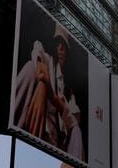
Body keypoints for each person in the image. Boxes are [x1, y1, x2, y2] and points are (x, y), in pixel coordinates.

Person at [12, 22, 85, 162]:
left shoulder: (69, 89)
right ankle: (12, 131)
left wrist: (51, 95)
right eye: (58, 42)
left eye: (64, 44)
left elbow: (73, 121)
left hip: (57, 148)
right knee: (29, 69)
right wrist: (42, 82)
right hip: (38, 134)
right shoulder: (48, 61)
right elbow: (37, 49)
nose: (60, 47)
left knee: (77, 132)